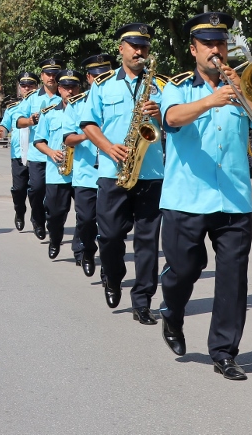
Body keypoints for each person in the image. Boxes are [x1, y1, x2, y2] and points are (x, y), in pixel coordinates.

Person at [157, 12, 252, 381]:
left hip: (234, 198)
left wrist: (241, 90)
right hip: (187, 198)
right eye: (208, 43)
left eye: (221, 43)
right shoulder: (178, 86)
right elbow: (172, 118)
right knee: (184, 270)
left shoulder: (243, 85)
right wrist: (212, 100)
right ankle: (172, 313)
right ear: (193, 49)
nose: (215, 50)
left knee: (233, 278)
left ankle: (224, 351)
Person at [79, 23, 166, 324]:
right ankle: (113, 276)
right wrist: (108, 147)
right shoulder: (102, 85)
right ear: (121, 48)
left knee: (147, 241)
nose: (140, 51)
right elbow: (89, 124)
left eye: (144, 46)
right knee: (112, 235)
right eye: (134, 45)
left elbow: (177, 127)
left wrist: (162, 117)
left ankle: (142, 301)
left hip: (152, 172)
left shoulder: (162, 85)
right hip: (113, 172)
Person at [62, 53, 116, 277]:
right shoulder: (76, 104)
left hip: (111, 172)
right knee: (85, 220)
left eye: (105, 74)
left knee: (109, 227)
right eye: (96, 75)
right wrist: (88, 135)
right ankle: (86, 251)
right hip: (85, 174)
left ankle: (108, 269)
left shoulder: (116, 97)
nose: (101, 78)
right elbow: (67, 138)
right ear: (89, 78)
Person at [33, 68, 84, 261]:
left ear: (79, 88)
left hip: (82, 172)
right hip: (57, 172)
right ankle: (55, 239)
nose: (69, 91)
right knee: (54, 215)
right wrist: (51, 152)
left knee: (85, 216)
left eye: (73, 87)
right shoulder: (49, 113)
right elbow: (38, 141)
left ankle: (80, 250)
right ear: (59, 88)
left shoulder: (88, 111)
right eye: (65, 87)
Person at [13, 58, 64, 239]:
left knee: (55, 196)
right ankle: (37, 219)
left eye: (55, 74)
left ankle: (53, 224)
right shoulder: (31, 98)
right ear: (42, 76)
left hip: (60, 155)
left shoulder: (65, 95)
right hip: (38, 154)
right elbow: (18, 121)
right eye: (48, 74)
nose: (52, 77)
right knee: (36, 189)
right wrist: (30, 120)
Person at [0, 71, 39, 232]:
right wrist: (1, 131)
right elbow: (4, 126)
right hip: (18, 155)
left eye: (30, 85)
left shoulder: (43, 105)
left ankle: (37, 219)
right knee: (19, 189)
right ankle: (19, 212)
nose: (27, 88)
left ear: (37, 86)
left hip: (38, 154)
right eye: (24, 85)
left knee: (37, 190)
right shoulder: (12, 108)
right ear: (19, 88)